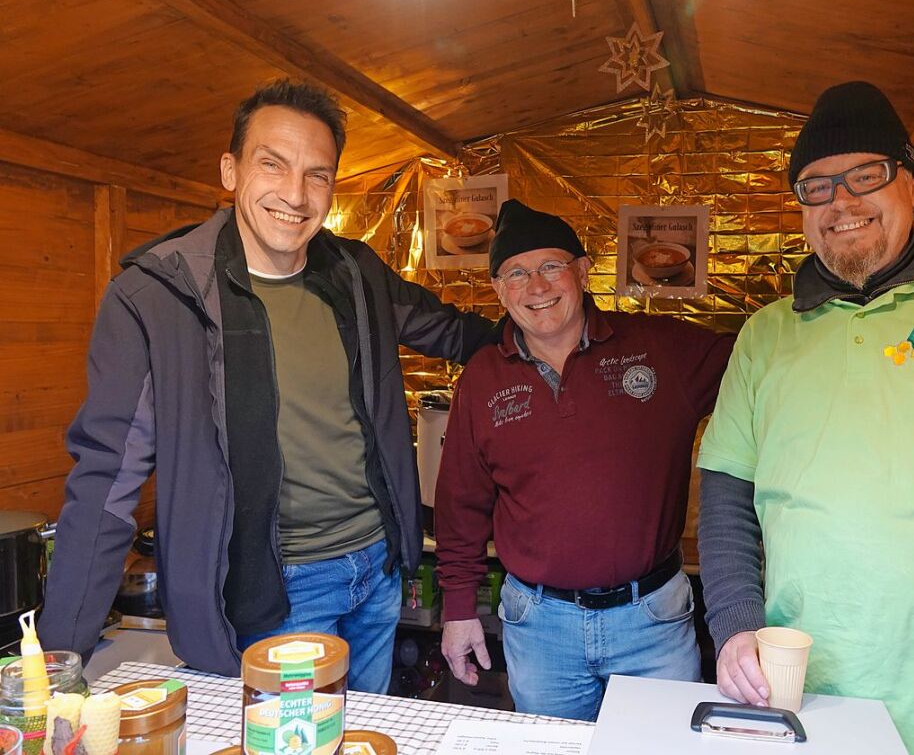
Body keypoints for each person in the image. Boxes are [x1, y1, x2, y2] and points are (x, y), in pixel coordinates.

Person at [38, 79, 494, 690]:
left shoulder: (355, 272)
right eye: (272, 165)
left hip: (378, 572)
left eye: (318, 175)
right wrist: (57, 659)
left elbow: (454, 332)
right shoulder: (157, 296)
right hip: (274, 592)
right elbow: (107, 477)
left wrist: (557, 325)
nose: (295, 195)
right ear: (230, 170)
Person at [697, 80, 914, 755]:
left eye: (864, 175)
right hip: (807, 695)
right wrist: (733, 624)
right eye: (816, 186)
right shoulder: (765, 334)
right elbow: (727, 494)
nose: (840, 201)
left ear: (909, 182)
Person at [434, 199, 735, 720]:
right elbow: (460, 504)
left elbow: (765, 360)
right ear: (499, 290)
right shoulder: (482, 379)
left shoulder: (661, 349)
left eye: (551, 267)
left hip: (652, 621)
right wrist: (459, 609)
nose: (537, 287)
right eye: (517, 274)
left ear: (582, 270)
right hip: (540, 626)